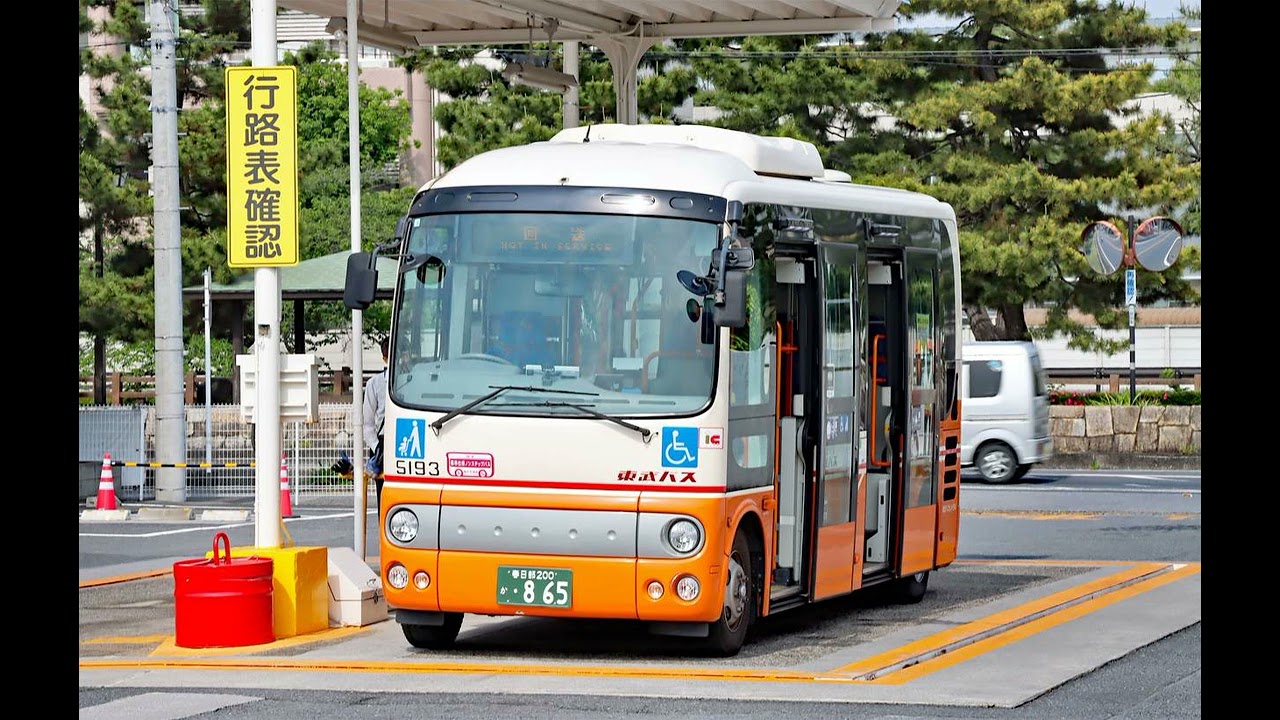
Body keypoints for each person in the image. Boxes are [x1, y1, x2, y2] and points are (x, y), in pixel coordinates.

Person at [363, 337, 390, 506]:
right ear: (385, 358)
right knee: (384, 498)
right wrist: (377, 447)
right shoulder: (375, 383)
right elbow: (367, 423)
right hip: (382, 445)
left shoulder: (413, 380)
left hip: (405, 442)